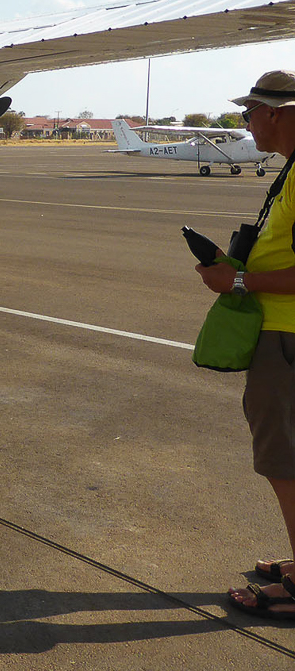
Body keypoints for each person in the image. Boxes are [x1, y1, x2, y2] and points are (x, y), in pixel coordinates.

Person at [195, 70, 295, 619]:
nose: (245, 123)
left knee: (285, 459)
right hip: (283, 332)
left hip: (287, 337)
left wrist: (238, 282)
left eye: (248, 113)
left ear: (275, 112)